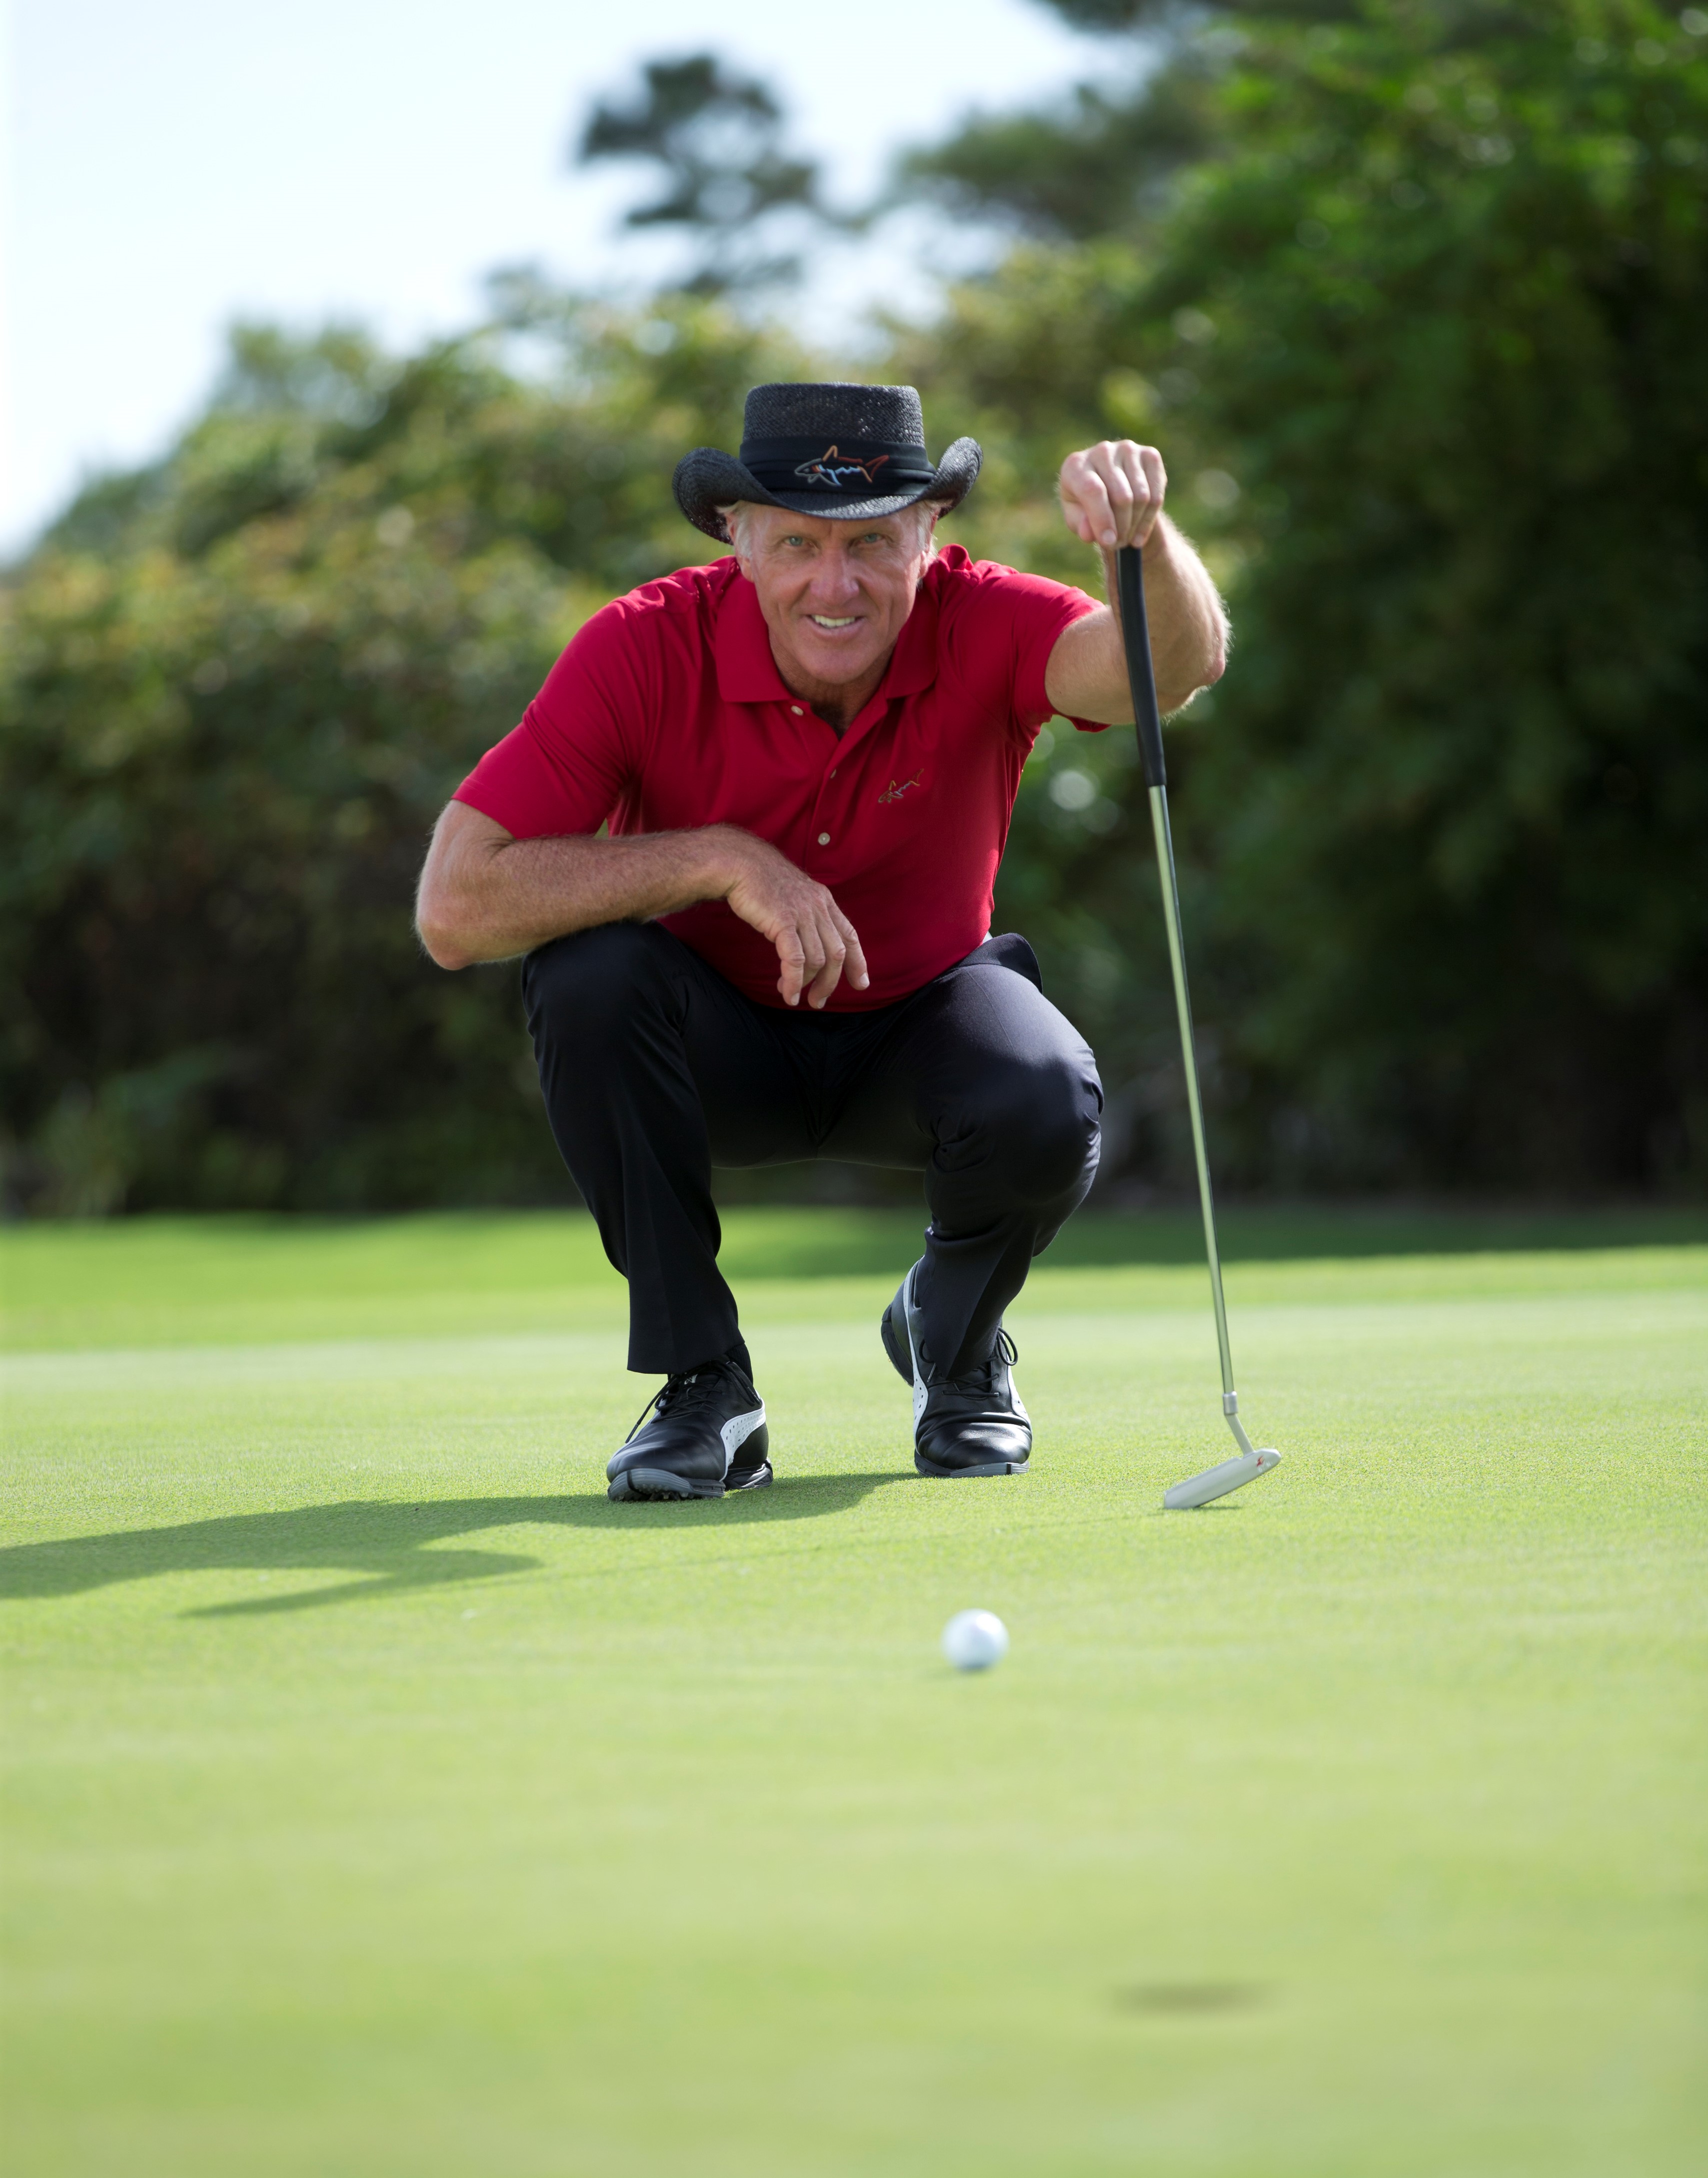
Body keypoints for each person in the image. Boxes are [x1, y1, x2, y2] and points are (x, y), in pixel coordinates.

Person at [416, 381, 1227, 1499]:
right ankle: (707, 1390)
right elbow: (456, 908)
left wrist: (1144, 540)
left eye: (872, 544)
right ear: (737, 537)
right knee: (589, 976)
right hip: (716, 1050)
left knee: (1045, 1087)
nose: (833, 585)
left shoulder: (981, 615)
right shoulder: (642, 646)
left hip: (923, 1034)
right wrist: (722, 858)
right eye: (797, 543)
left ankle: (954, 1339)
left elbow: (1171, 671)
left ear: (929, 533)